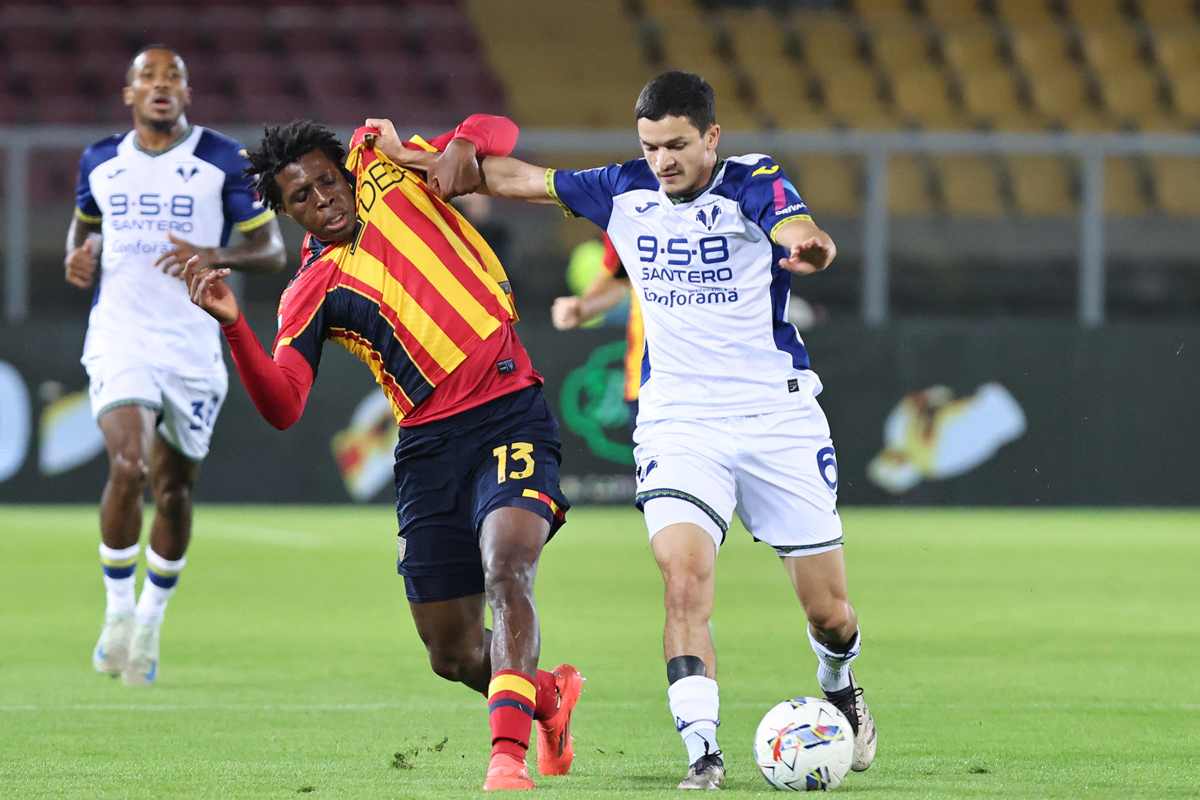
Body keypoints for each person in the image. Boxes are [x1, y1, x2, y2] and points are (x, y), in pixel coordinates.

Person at [402, 70, 878, 789]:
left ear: (712, 137)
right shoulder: (622, 187)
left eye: (678, 146)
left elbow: (799, 229)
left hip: (776, 418)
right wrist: (413, 158)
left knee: (830, 612)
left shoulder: (753, 182)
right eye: (651, 146)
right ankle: (702, 753)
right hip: (678, 420)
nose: (663, 161)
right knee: (683, 582)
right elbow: (517, 178)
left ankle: (839, 682)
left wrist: (812, 248)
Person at [184, 115, 580, 792]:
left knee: (508, 567)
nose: (323, 199)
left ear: (344, 170)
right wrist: (234, 327)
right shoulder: (309, 291)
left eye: (326, 181)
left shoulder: (388, 166)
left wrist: (462, 144)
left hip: (509, 410)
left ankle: (506, 759)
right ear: (287, 214)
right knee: (452, 653)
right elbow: (283, 405)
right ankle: (546, 696)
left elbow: (500, 131)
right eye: (301, 196)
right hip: (428, 450)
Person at [65, 45, 286, 686]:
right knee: (128, 465)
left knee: (174, 490)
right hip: (120, 334)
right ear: (129, 93)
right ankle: (116, 611)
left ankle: (149, 620)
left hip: (191, 346)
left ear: (187, 93)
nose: (160, 86)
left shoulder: (223, 159)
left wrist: (215, 253)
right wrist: (77, 256)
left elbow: (272, 249)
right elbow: (84, 230)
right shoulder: (100, 160)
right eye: (148, 77)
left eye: (173, 77)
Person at [551, 235, 643, 423]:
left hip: (708, 380)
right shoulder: (630, 221)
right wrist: (582, 308)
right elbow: (619, 281)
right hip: (647, 383)